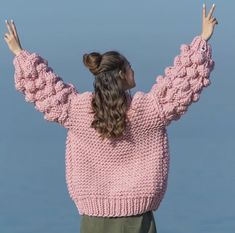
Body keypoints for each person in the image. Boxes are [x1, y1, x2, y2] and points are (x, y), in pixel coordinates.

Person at [4, 3, 218, 233]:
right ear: (120, 75)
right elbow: (183, 81)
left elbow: (43, 87)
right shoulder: (149, 110)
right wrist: (203, 40)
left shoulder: (77, 110)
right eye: (129, 67)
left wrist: (19, 53)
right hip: (138, 219)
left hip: (93, 219)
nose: (133, 71)